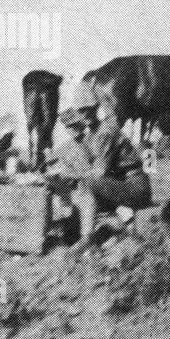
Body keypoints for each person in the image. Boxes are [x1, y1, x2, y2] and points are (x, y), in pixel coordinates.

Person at [48, 88, 151, 247]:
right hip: (120, 185)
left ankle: (88, 238)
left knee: (90, 182)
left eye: (89, 109)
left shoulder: (105, 132)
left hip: (135, 187)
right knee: (85, 186)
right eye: (81, 111)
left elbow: (98, 173)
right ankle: (107, 231)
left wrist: (68, 174)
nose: (85, 114)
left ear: (96, 108)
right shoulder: (91, 135)